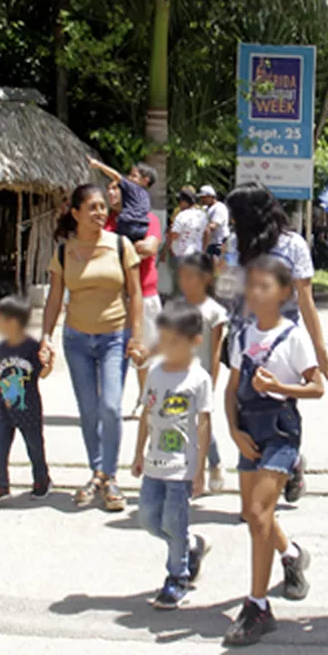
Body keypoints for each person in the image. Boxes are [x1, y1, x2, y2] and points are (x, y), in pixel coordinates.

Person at [222, 257, 324, 647]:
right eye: (251, 286)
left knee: (259, 513)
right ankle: (292, 555)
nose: (255, 293)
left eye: (265, 286)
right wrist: (233, 431)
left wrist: (280, 387)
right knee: (253, 514)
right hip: (248, 429)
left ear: (284, 293)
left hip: (281, 429)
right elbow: (231, 390)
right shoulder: (242, 334)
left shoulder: (294, 336)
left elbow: (316, 387)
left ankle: (257, 605)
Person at [223, 183, 328, 503]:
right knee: (247, 404)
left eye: (236, 215)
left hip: (284, 340)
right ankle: (266, 465)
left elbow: (306, 300)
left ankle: (287, 458)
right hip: (245, 337)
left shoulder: (292, 245)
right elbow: (230, 293)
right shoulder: (235, 242)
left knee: (279, 401)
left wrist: (320, 350)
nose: (232, 221)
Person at [41, 184, 145, 512]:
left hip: (115, 336)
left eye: (103, 207)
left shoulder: (120, 245)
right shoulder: (63, 252)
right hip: (77, 340)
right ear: (75, 213)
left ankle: (109, 475)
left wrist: (137, 337)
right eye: (92, 208)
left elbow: (136, 293)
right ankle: (99, 472)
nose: (100, 213)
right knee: (88, 409)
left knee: (111, 407)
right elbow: (55, 298)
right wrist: (46, 336)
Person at [130, 301, 214, 610]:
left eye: (174, 342)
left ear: (195, 342)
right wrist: (138, 452)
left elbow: (204, 425)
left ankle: (177, 578)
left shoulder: (199, 379)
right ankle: (190, 547)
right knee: (150, 519)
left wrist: (200, 468)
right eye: (163, 340)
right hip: (154, 463)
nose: (166, 347)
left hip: (181, 467)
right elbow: (147, 413)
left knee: (173, 522)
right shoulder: (155, 373)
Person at [104, 180, 162, 417]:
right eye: (109, 188)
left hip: (145, 294)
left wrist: (117, 247)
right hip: (112, 297)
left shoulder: (149, 219)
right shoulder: (105, 221)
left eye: (116, 188)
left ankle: (145, 398)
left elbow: (150, 247)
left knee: (143, 353)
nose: (111, 192)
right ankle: (110, 403)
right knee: (110, 353)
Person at [0, 295, 50, 501]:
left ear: (12, 322)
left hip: (28, 407)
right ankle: (0, 484)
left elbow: (42, 374)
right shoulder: (2, 348)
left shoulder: (32, 347)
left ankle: (41, 479)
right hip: (4, 408)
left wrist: (48, 363)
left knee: (34, 446)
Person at [177, 253, 228, 494]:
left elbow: (216, 350)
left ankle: (214, 463)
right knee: (182, 423)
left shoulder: (215, 311)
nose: (186, 282)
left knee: (200, 423)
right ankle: (187, 472)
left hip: (202, 375)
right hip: (178, 373)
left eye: (192, 277)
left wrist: (213, 379)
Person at [89, 156, 155, 244]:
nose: (129, 178)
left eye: (133, 176)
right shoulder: (146, 196)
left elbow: (116, 175)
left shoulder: (132, 187)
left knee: (113, 244)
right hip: (142, 228)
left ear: (145, 181)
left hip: (127, 224)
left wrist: (98, 165)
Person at [169, 187, 207, 265]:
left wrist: (171, 229)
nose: (179, 203)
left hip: (182, 256)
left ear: (185, 201)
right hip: (197, 254)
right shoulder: (202, 215)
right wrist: (204, 249)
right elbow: (207, 232)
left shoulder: (181, 215)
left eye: (180, 200)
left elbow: (174, 236)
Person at [199, 185, 229, 259]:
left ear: (211, 196)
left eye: (204, 197)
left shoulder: (219, 208)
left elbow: (212, 227)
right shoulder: (205, 208)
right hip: (209, 244)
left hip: (218, 244)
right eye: (201, 197)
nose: (202, 199)